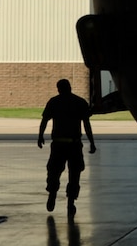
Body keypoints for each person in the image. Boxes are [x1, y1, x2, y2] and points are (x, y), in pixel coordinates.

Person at [38, 78, 96, 214]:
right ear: (70, 87)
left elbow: (45, 120)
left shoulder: (54, 102)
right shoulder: (80, 102)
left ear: (58, 89)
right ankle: (70, 202)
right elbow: (87, 125)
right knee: (74, 174)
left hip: (58, 144)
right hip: (74, 145)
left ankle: (52, 192)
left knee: (54, 171)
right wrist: (92, 142)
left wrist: (40, 136)